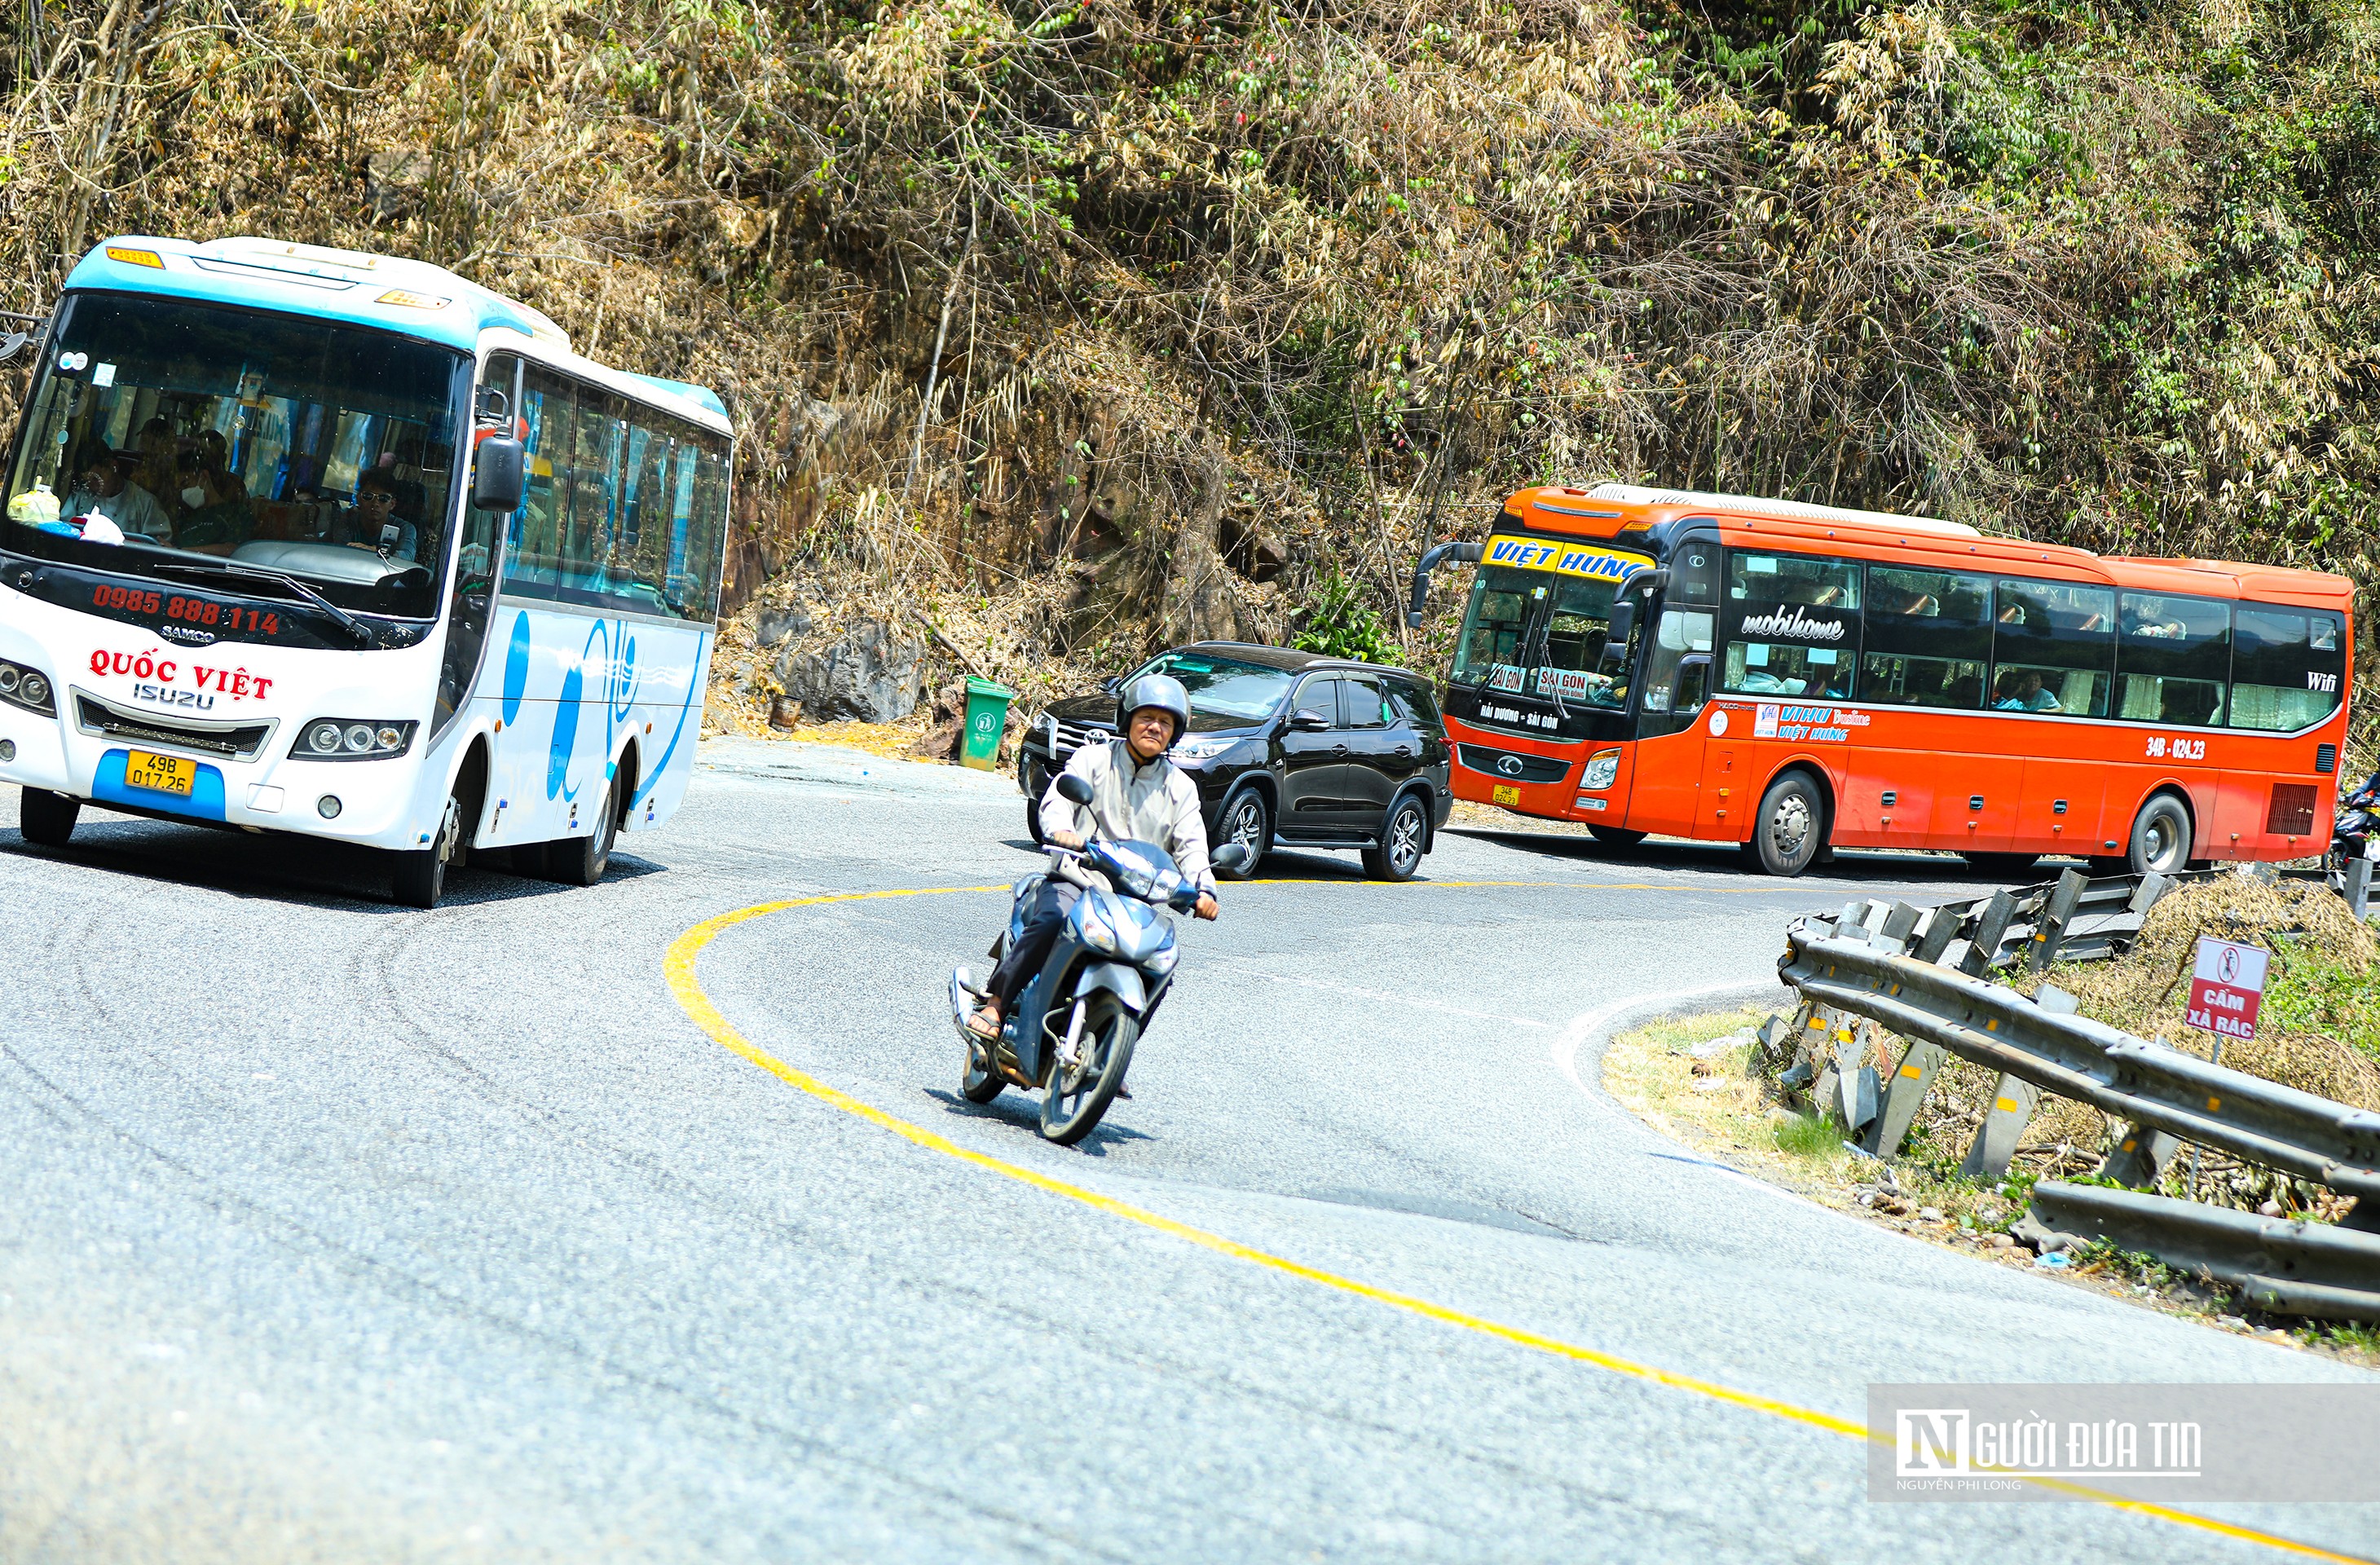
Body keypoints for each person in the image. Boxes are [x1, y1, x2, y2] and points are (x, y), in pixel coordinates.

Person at [967, 674, 1219, 1043]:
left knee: (1160, 962)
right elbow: (1058, 799)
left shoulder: (1181, 788)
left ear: (1175, 732)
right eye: (1146, 717)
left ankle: (1111, 1047)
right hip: (1078, 879)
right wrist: (1060, 831)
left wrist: (1204, 889)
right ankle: (998, 1003)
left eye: (1165, 722)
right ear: (1127, 719)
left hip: (1135, 898)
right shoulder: (1094, 758)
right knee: (1053, 917)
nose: (1155, 727)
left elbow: (1192, 845)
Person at [62, 447, 173, 542]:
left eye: (97, 479)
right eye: (87, 481)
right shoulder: (82, 496)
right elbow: (64, 528)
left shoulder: (146, 503)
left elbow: (157, 545)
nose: (93, 486)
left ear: (114, 467)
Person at [329, 469, 417, 558]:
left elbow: (407, 557)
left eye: (383, 498)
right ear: (359, 499)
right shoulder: (346, 521)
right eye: (368, 496)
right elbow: (340, 554)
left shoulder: (405, 529)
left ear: (392, 504)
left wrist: (375, 550)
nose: (375, 503)